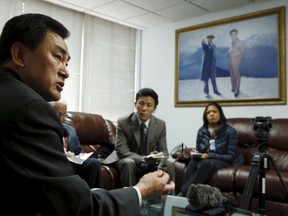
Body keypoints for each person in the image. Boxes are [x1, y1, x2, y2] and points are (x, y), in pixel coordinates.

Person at [0, 13, 174, 216]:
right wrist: (141, 190)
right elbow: (79, 208)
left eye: (67, 63)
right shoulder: (30, 108)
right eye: (57, 57)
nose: (65, 72)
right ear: (19, 54)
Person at [106, 88, 175, 188]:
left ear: (155, 109)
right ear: (135, 104)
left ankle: (166, 201)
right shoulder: (123, 122)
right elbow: (121, 151)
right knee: (128, 163)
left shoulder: (160, 124)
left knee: (168, 165)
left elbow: (164, 152)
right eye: (141, 103)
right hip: (128, 159)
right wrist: (143, 159)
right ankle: (131, 199)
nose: (144, 108)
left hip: (149, 162)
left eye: (149, 105)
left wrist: (157, 156)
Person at [179, 102, 244, 196]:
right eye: (208, 112)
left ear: (220, 114)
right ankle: (185, 192)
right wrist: (196, 153)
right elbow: (200, 151)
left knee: (207, 163)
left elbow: (230, 156)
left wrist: (209, 155)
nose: (211, 114)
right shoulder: (202, 131)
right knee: (193, 161)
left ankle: (185, 193)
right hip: (209, 158)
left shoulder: (230, 131)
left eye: (214, 111)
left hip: (227, 161)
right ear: (205, 116)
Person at [50, 100, 103, 189]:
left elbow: (78, 151)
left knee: (94, 163)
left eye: (64, 115)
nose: (61, 118)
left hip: (74, 163)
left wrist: (80, 155)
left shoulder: (70, 130)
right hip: (58, 162)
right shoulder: (46, 129)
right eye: (58, 114)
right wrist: (63, 155)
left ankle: (95, 196)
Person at [228, 29, 245, 97]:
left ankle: (236, 90)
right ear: (230, 36)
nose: (233, 36)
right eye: (232, 35)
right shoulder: (231, 43)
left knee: (236, 75)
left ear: (236, 35)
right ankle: (233, 88)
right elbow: (230, 51)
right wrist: (228, 54)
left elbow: (242, 52)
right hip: (230, 61)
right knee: (232, 75)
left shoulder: (240, 42)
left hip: (236, 61)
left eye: (234, 34)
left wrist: (237, 56)